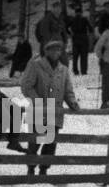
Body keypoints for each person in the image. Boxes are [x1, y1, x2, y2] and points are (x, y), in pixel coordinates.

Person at [20, 39, 80, 176]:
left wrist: (72, 102)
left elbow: (68, 90)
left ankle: (43, 171)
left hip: (56, 112)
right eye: (52, 50)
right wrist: (38, 102)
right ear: (46, 51)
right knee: (35, 142)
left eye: (58, 50)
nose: (56, 53)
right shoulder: (36, 65)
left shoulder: (63, 70)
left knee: (50, 143)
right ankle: (30, 170)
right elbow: (26, 86)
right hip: (38, 111)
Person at [66, 4, 93, 75]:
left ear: (75, 12)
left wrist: (70, 33)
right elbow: (91, 29)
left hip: (75, 38)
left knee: (75, 56)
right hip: (84, 38)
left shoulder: (72, 19)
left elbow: (66, 28)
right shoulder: (84, 19)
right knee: (84, 56)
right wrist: (88, 33)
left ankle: (75, 71)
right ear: (81, 12)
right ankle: (83, 71)